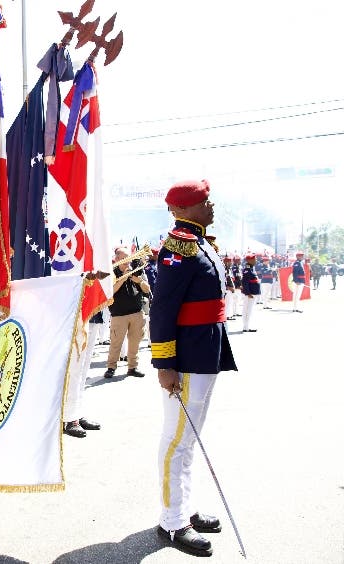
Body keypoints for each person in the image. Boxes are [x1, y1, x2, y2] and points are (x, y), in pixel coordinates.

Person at [150, 179, 237, 557]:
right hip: (185, 356)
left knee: (190, 439)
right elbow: (163, 309)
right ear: (183, 209)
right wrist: (165, 363)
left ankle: (183, 506)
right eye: (204, 201)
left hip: (204, 350)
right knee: (177, 439)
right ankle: (172, 521)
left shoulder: (200, 242)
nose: (211, 205)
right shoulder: (178, 247)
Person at [103, 247, 150, 378]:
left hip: (136, 313)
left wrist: (139, 280)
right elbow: (109, 292)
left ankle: (132, 367)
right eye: (124, 259)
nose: (128, 262)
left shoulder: (137, 270)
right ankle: (111, 367)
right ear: (117, 259)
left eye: (129, 259)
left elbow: (147, 290)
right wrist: (122, 279)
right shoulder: (112, 273)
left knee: (135, 342)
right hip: (119, 315)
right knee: (115, 343)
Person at [63, 309, 104, 438]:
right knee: (74, 367)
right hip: (73, 313)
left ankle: (77, 412)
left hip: (91, 312)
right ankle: (69, 417)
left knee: (83, 367)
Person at [240, 253, 260, 332]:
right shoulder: (247, 270)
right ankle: (246, 327)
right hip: (250, 294)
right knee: (247, 310)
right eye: (254, 259)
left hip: (252, 293)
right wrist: (248, 293)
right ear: (249, 260)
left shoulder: (251, 268)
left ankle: (246, 326)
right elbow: (245, 282)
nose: (256, 260)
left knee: (249, 310)